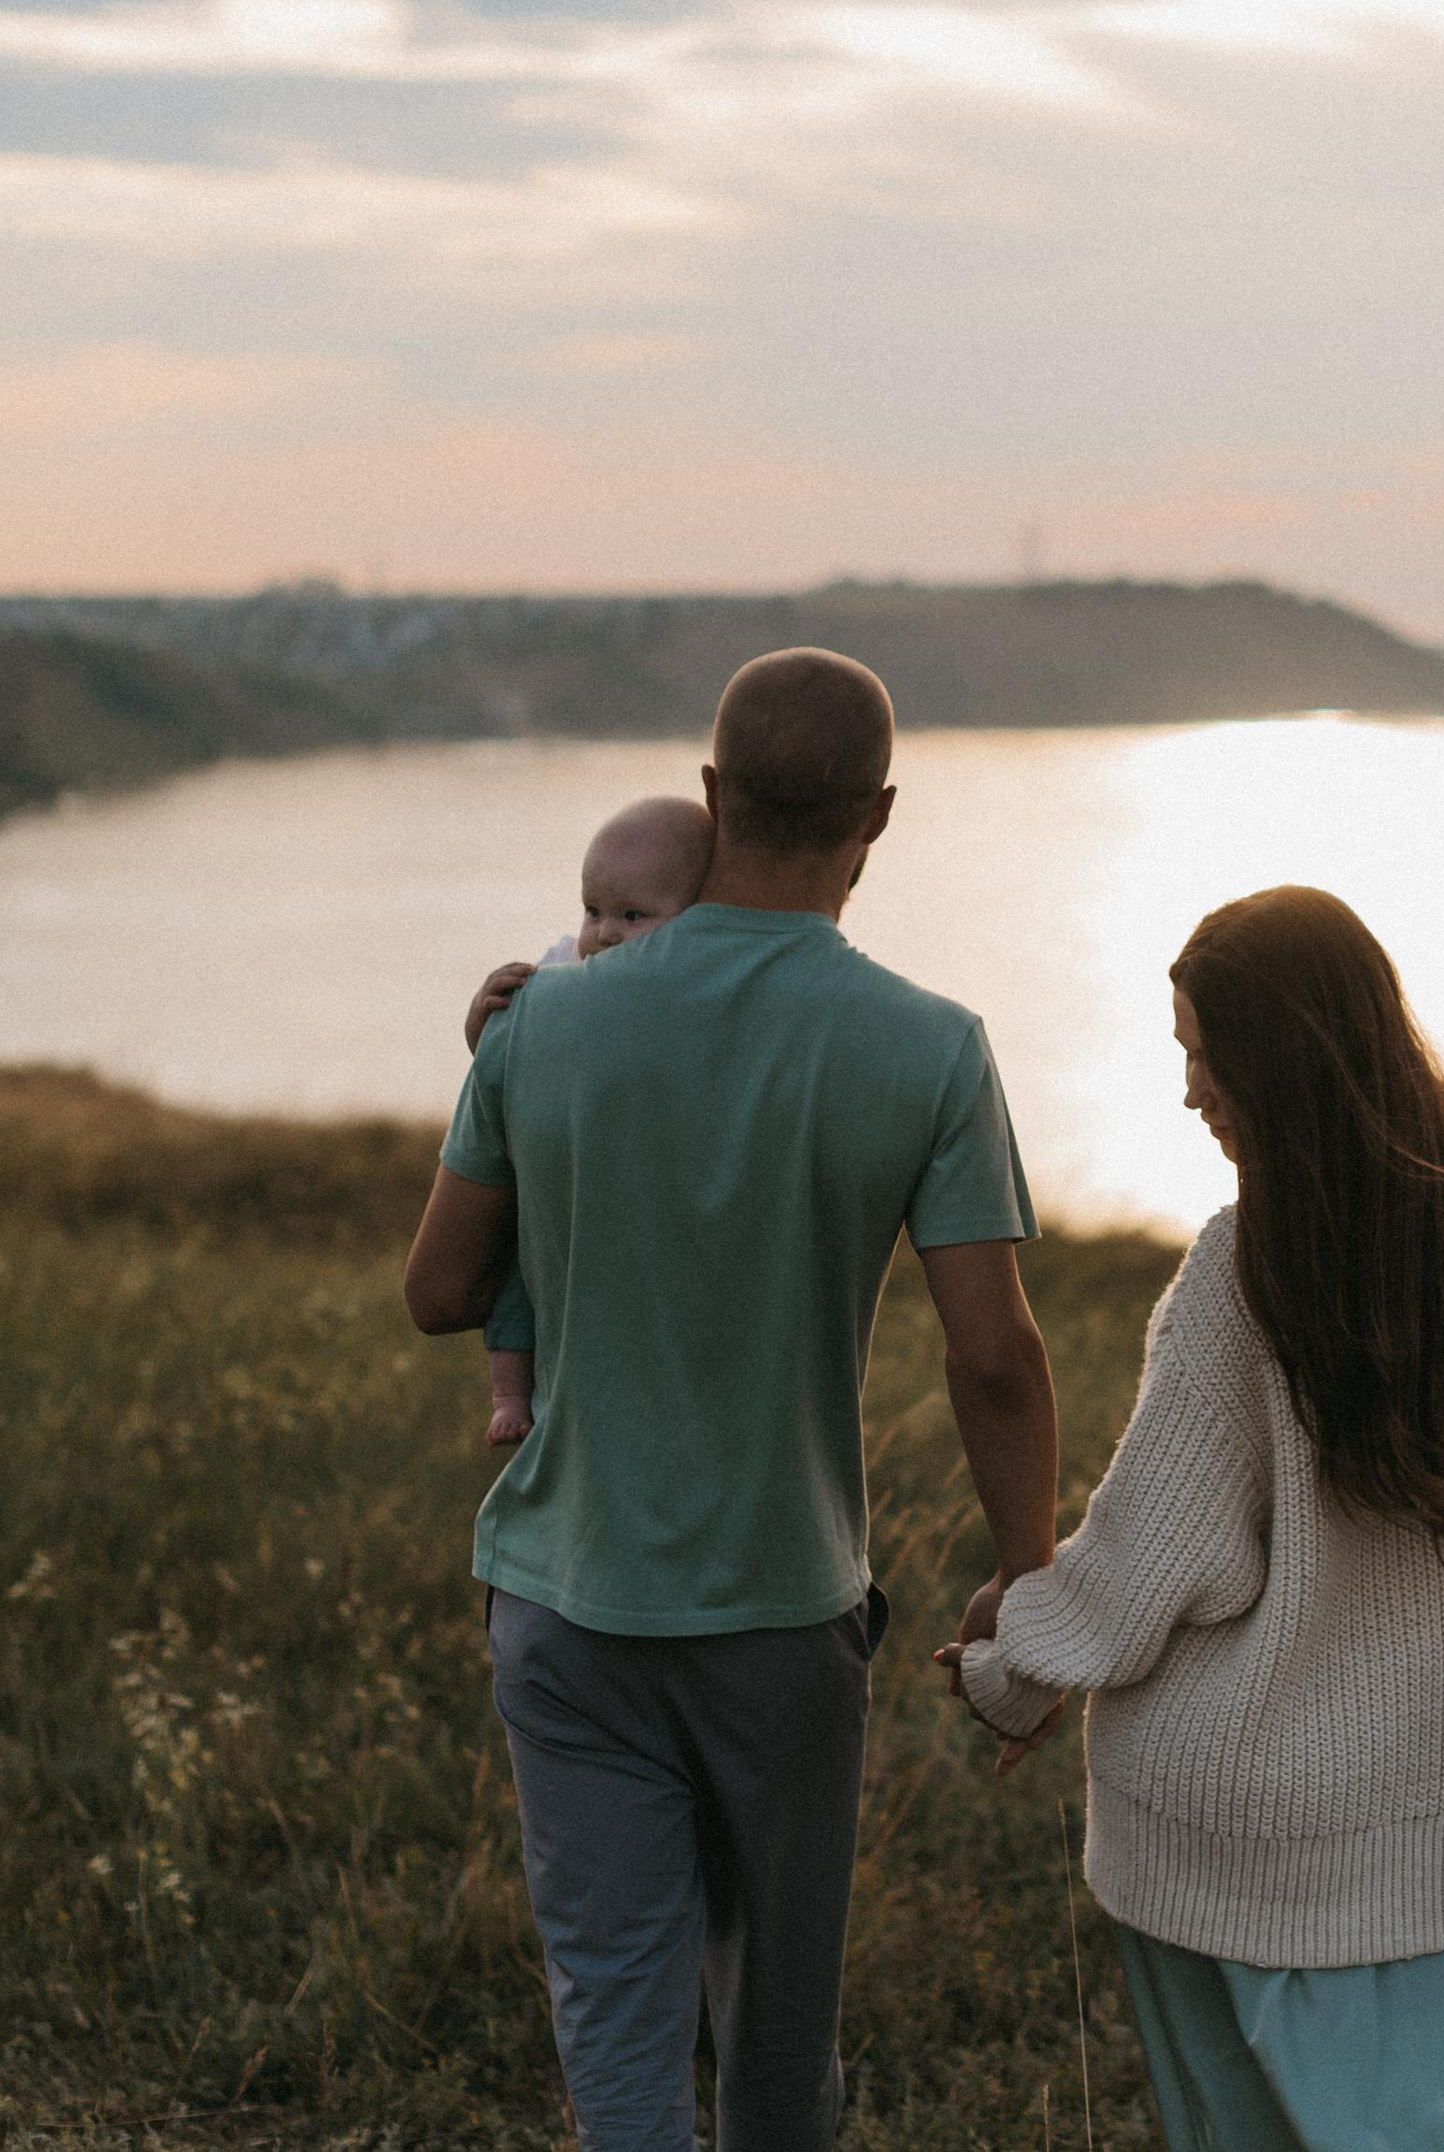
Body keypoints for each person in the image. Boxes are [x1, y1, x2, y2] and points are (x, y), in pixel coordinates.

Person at [403, 648, 1059, 2152]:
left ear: (714, 795)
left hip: (566, 1608)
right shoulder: (931, 1046)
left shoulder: (542, 1024)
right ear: (878, 817)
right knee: (777, 2036)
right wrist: (1028, 1573)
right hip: (780, 1617)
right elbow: (996, 1353)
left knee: (617, 2023)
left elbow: (438, 1292)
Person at [940, 883, 1444, 2152]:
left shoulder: (1249, 1269)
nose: (1189, 1090)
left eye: (1200, 1054)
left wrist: (1012, 1661)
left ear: (1276, 1058)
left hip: (1229, 1836)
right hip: (1414, 1830)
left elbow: (1145, 1572)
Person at [464, 794, 716, 1449]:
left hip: (631, 1206)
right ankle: (510, 1395)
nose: (602, 932)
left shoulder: (691, 1001)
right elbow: (501, 1068)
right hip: (556, 1189)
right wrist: (485, 1023)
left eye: (633, 916)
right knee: (516, 1276)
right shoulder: (561, 974)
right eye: (593, 910)